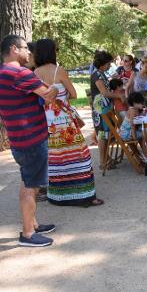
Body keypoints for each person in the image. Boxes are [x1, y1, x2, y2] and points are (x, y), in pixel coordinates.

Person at [0, 34, 58, 247]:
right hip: (31, 139)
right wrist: (55, 88)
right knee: (31, 187)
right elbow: (48, 94)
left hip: (20, 139)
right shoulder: (19, 73)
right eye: (25, 48)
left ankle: (33, 223)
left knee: (27, 181)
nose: (29, 52)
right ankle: (28, 234)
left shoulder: (3, 73)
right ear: (13, 49)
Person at [33, 38, 104, 208]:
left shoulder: (35, 73)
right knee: (79, 156)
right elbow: (73, 94)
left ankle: (60, 196)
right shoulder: (59, 70)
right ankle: (85, 195)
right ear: (51, 52)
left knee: (56, 158)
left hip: (48, 122)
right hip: (65, 122)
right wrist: (60, 92)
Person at [91, 50, 125, 171]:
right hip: (100, 111)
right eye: (108, 63)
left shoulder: (101, 74)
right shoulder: (97, 75)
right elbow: (104, 93)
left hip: (105, 109)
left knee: (106, 135)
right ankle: (103, 161)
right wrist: (119, 96)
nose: (110, 65)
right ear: (102, 64)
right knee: (102, 135)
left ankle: (107, 158)